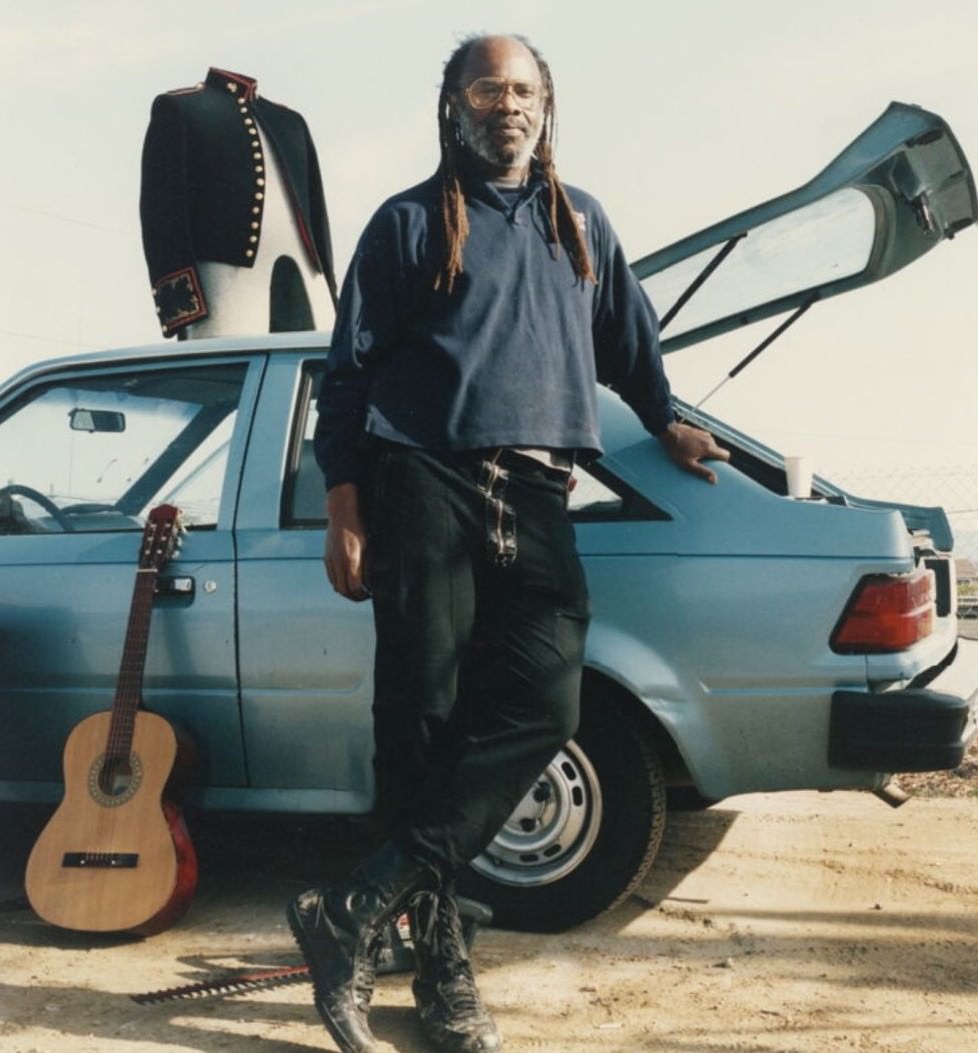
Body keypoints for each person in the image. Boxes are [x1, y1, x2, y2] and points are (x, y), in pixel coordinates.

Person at [288, 33, 729, 1053]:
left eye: (524, 89)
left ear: (547, 104)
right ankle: (444, 978)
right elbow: (346, 374)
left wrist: (665, 419)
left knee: (543, 703)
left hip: (535, 491)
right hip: (422, 484)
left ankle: (354, 909)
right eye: (487, 88)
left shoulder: (581, 223)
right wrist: (344, 502)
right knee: (423, 725)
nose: (508, 105)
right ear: (453, 104)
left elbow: (628, 340)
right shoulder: (406, 224)